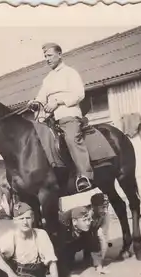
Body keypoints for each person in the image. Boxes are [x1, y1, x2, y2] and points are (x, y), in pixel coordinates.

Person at [28, 42, 93, 193]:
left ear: (60, 54)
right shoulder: (48, 79)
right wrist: (35, 103)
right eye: (45, 56)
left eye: (49, 55)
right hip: (50, 119)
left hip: (68, 115)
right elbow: (41, 98)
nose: (47, 59)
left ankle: (85, 176)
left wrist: (58, 101)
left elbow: (79, 94)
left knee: (71, 138)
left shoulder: (70, 73)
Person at [60, 193, 111, 276]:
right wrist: (67, 275)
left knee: (92, 236)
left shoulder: (101, 216)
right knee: (67, 262)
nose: (105, 210)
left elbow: (98, 238)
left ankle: (87, 257)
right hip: (66, 238)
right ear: (94, 206)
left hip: (79, 236)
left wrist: (99, 264)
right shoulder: (82, 214)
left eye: (107, 207)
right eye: (103, 207)